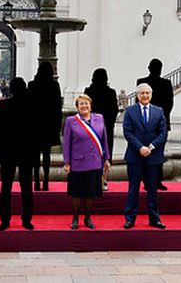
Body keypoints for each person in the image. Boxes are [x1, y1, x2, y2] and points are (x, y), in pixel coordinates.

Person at [122, 83, 168, 229]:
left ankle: (155, 219)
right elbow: (128, 132)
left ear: (151, 94)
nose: (145, 96)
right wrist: (140, 147)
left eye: (147, 93)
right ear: (137, 95)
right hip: (135, 156)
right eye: (142, 93)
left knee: (153, 189)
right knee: (133, 188)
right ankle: (130, 218)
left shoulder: (159, 111)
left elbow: (163, 132)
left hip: (153, 157)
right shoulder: (130, 111)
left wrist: (151, 147)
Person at [63, 94, 111, 229]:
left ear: (90, 105)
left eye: (86, 104)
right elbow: (66, 143)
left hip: (95, 162)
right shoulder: (71, 121)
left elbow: (104, 140)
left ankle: (88, 217)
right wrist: (67, 162)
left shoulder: (99, 118)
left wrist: (106, 159)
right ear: (77, 107)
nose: (84, 106)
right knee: (77, 193)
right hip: (78, 163)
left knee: (91, 193)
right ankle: (76, 217)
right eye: (81, 104)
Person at [0, 77, 36, 231]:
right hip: (26, 151)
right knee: (26, 187)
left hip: (8, 151)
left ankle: (4, 219)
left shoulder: (3, 105)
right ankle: (26, 219)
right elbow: (34, 132)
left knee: (6, 187)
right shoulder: (31, 106)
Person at [137, 58, 173, 191]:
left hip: (145, 124)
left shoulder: (141, 83)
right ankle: (157, 181)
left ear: (149, 68)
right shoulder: (166, 84)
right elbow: (169, 104)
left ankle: (147, 181)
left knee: (146, 153)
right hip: (161, 123)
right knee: (158, 153)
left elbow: (138, 103)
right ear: (160, 69)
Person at [27, 61, 62, 191]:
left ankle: (36, 180)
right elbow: (58, 107)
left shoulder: (32, 85)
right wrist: (57, 126)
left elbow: (28, 106)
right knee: (47, 154)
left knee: (35, 155)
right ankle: (46, 180)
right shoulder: (54, 85)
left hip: (35, 124)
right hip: (49, 124)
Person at [84, 68, 119, 190]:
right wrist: (110, 123)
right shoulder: (111, 92)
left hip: (91, 128)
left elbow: (85, 109)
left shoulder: (88, 91)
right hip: (106, 127)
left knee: (91, 154)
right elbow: (114, 109)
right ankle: (104, 179)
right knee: (106, 154)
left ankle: (92, 179)